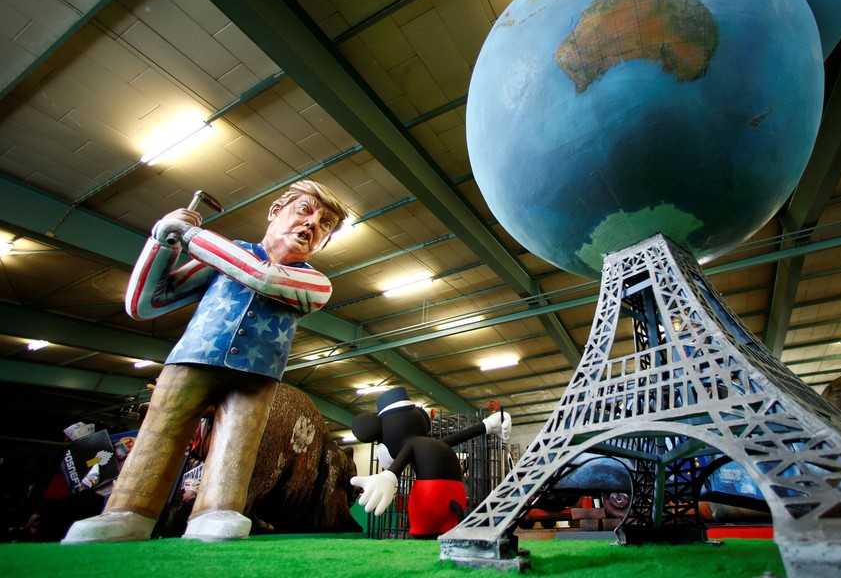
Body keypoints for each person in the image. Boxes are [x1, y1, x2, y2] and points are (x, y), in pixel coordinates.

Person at [62, 180, 348, 544]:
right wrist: (162, 242)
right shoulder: (228, 255)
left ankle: (217, 509)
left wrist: (192, 237)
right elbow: (145, 303)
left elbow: (261, 277)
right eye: (305, 210)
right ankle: (127, 512)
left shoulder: (314, 282)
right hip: (190, 361)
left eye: (325, 225)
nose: (312, 225)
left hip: (255, 377)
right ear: (276, 212)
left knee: (238, 441)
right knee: (159, 433)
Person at [350, 387, 510, 538]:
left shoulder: (414, 445)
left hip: (429, 498)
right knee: (450, 533)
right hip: (457, 495)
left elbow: (404, 456)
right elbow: (456, 438)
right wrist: (487, 425)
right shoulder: (434, 444)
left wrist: (389, 476)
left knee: (424, 535)